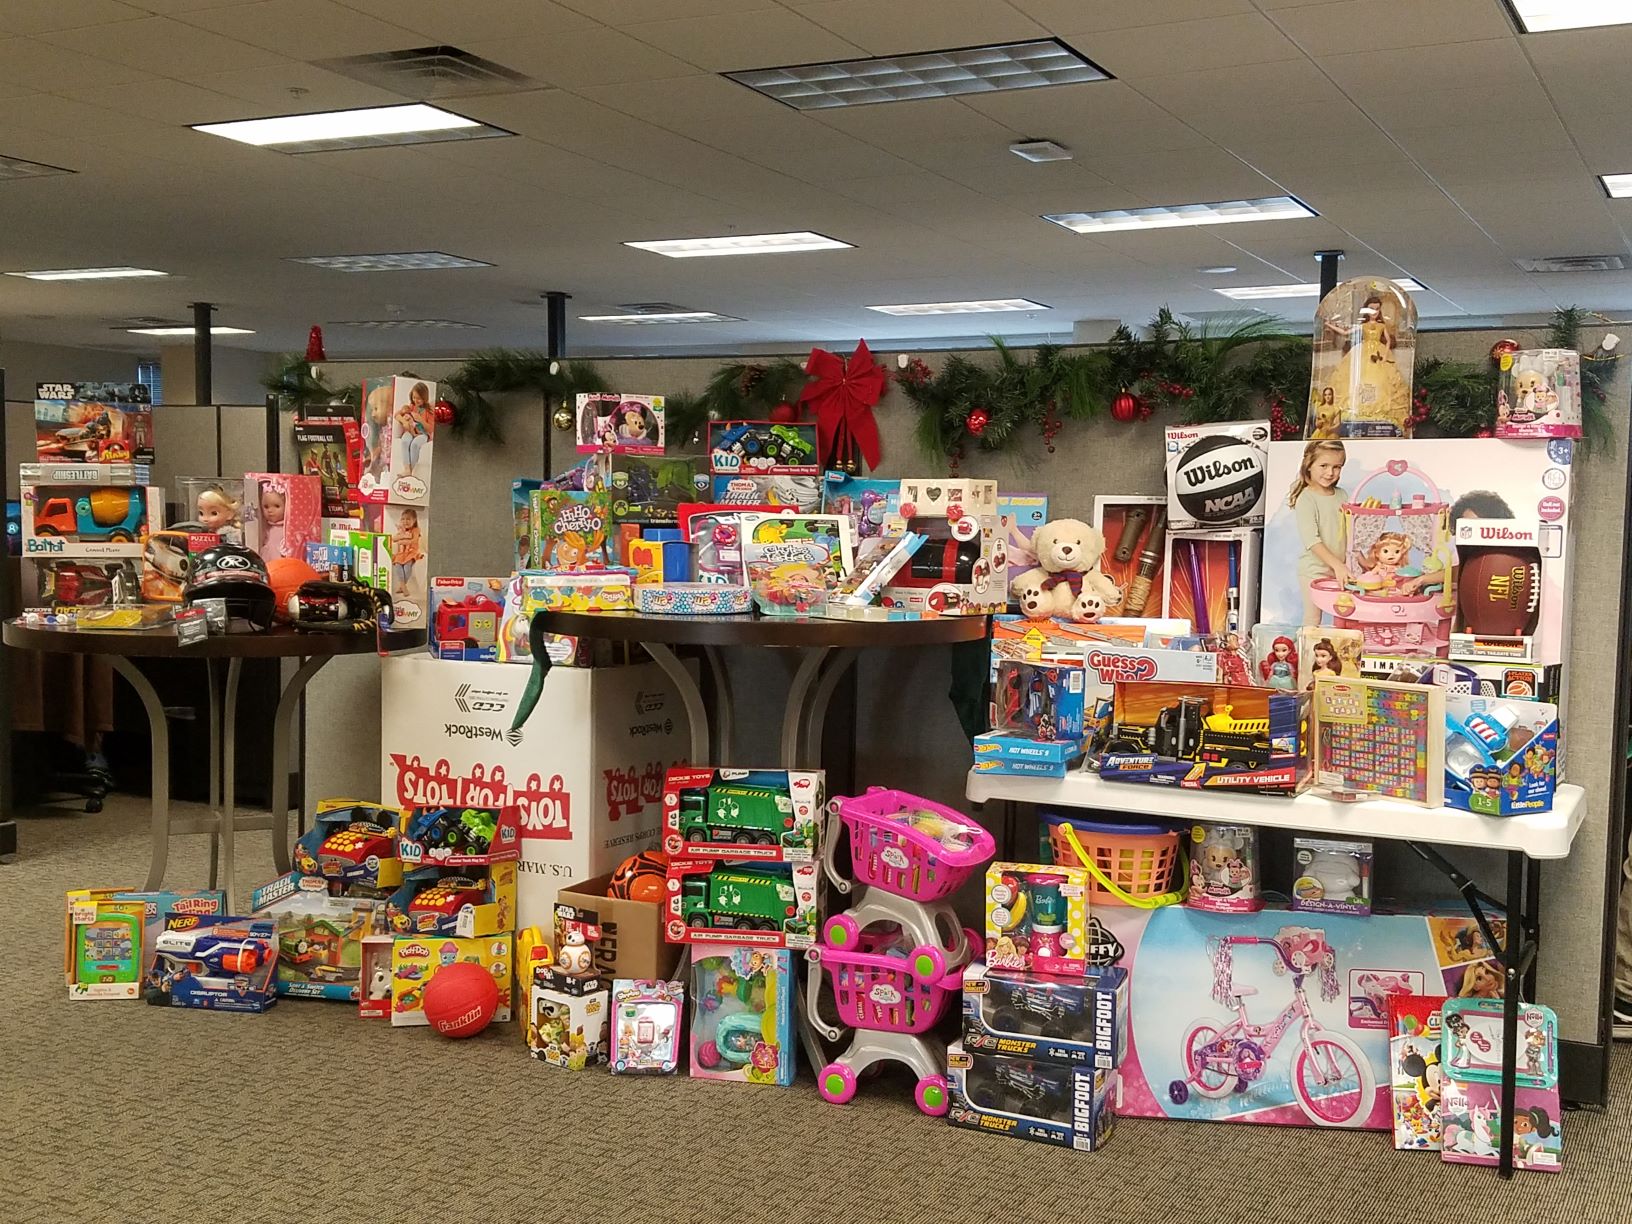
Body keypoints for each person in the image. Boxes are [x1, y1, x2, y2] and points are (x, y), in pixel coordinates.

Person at [1287, 439, 1349, 625]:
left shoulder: (1342, 495)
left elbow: (1350, 533)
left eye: (1337, 467)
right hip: (1314, 571)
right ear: (1309, 465)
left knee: (1344, 616)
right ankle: (1306, 645)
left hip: (1341, 570)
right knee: (1313, 618)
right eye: (1324, 466)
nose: (1330, 473)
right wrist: (1337, 565)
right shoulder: (1306, 498)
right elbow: (1312, 540)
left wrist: (1360, 561)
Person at [395, 383, 432, 477]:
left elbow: (430, 428)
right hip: (410, 431)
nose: (416, 400)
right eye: (414, 397)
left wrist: (420, 419)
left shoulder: (429, 410)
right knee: (405, 441)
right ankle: (407, 469)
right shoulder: (411, 407)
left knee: (415, 445)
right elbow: (397, 415)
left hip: (423, 434)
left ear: (424, 397)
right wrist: (404, 422)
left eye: (419, 398)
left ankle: (411, 470)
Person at [390, 508, 422, 599]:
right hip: (401, 553)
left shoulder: (416, 530)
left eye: (408, 519)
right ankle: (403, 586)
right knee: (398, 566)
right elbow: (394, 539)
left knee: (407, 567)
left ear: (414, 520)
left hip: (411, 552)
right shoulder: (402, 531)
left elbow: (414, 540)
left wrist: (403, 541)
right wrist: (403, 535)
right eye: (403, 519)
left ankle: (402, 586)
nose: (405, 521)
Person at [257, 478, 287, 559]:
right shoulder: (264, 527)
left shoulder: (287, 529)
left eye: (277, 506)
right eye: (266, 507)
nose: (270, 510)